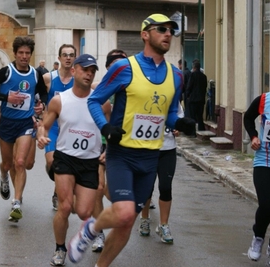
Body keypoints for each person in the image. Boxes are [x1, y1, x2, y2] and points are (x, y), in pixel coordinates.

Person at [66, 13, 195, 267]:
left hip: (151, 157)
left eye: (171, 30)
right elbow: (94, 100)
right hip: (122, 154)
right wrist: (106, 128)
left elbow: (168, 114)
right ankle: (90, 230)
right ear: (145, 34)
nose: (168, 33)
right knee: (123, 212)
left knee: (126, 224)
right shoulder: (124, 67)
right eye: (161, 29)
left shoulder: (176, 75)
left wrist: (178, 123)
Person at [37, 54, 109, 266]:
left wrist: (109, 149)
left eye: (93, 71)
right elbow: (45, 124)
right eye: (85, 69)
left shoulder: (101, 102)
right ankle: (60, 248)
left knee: (85, 211)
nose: (89, 73)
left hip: (90, 161)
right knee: (65, 207)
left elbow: (112, 129)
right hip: (65, 158)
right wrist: (41, 135)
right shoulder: (60, 100)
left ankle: (85, 233)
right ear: (74, 70)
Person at [0, 36, 47, 222]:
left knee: (20, 162)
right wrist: (6, 98)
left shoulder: (35, 74)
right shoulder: (6, 71)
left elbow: (43, 92)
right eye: (21, 53)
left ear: (31, 55)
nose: (24, 56)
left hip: (25, 123)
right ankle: (3, 175)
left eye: (27, 53)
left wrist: (41, 103)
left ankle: (16, 202)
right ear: (15, 53)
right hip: (7, 124)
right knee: (8, 164)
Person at [243, 59, 270, 266]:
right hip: (266, 162)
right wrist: (253, 137)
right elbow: (248, 118)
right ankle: (258, 237)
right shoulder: (264, 100)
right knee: (269, 205)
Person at [90, 48, 127, 253]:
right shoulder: (97, 87)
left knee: (112, 194)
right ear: (107, 67)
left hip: (120, 145)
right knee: (97, 188)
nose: (121, 67)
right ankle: (99, 235)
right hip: (98, 142)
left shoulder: (130, 88)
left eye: (124, 63)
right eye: (115, 63)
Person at [138, 103, 184, 244]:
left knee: (165, 186)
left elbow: (179, 117)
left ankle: (163, 225)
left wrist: (178, 128)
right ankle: (144, 219)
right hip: (147, 149)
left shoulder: (172, 96)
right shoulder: (144, 94)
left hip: (168, 148)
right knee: (147, 188)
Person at [42, 44, 76, 211]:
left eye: (71, 55)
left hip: (70, 129)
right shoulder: (49, 78)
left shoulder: (79, 79)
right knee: (52, 162)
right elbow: (38, 95)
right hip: (53, 128)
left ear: (74, 58)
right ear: (59, 58)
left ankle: (57, 193)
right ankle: (58, 183)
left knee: (63, 165)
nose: (68, 57)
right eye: (65, 55)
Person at [185, 60, 207, 131]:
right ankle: (201, 129)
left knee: (192, 116)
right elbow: (205, 87)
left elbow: (189, 86)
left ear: (194, 68)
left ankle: (192, 131)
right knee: (200, 116)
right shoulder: (204, 76)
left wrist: (187, 95)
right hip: (201, 99)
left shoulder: (192, 75)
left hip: (193, 99)